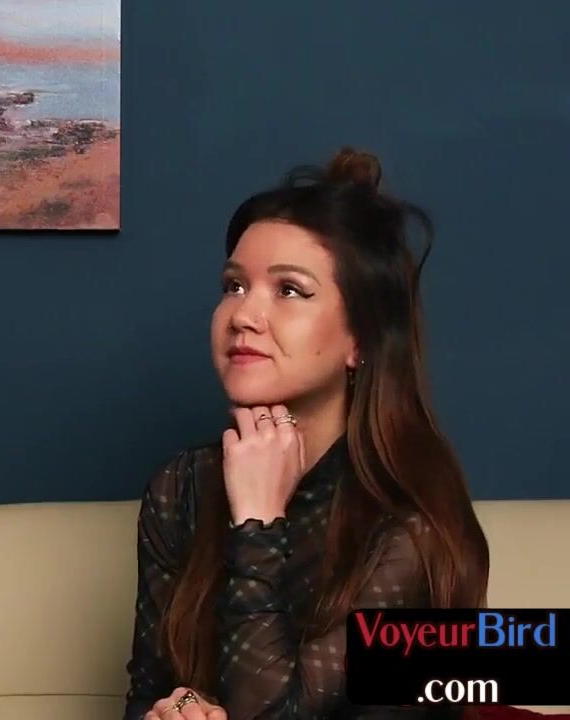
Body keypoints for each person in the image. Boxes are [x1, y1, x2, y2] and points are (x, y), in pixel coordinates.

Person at [123, 148, 489, 719]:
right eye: (234, 285)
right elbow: (147, 691)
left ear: (360, 340)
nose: (243, 316)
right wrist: (176, 710)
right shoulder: (182, 487)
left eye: (289, 290)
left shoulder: (412, 525)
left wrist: (257, 522)